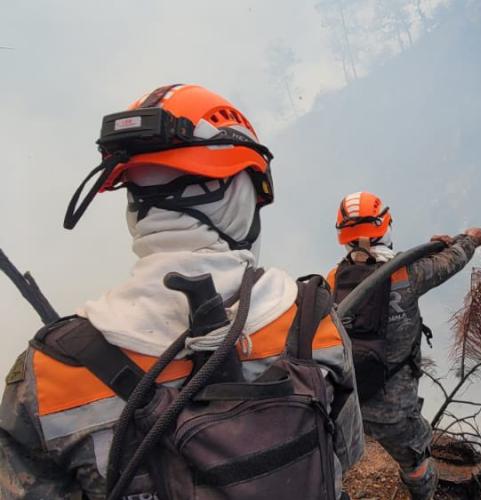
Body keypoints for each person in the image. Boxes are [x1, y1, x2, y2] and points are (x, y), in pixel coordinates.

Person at [0, 84, 363, 499]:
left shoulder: (49, 374)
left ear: (134, 204)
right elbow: (345, 454)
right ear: (239, 198)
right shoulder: (313, 320)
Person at [327, 191, 481, 500]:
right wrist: (470, 239)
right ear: (384, 226)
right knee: (415, 461)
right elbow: (453, 261)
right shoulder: (410, 274)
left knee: (332, 461)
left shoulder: (332, 280)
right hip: (395, 411)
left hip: (347, 405)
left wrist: (428, 248)